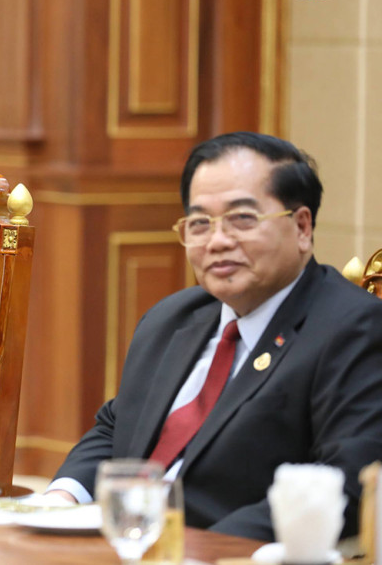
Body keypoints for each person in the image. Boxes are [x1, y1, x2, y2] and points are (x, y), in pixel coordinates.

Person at [47, 132, 382, 541]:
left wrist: (191, 551)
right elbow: (117, 427)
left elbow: (346, 486)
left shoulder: (354, 329)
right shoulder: (172, 317)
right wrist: (61, 498)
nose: (218, 241)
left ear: (301, 227)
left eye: (242, 219)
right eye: (200, 223)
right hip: (117, 543)